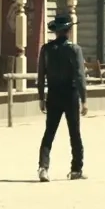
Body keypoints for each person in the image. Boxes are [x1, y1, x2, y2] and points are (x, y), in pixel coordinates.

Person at [35, 12, 87, 182]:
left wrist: (41, 97)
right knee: (74, 132)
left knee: (49, 132)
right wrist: (84, 99)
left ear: (56, 31)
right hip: (70, 94)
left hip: (53, 94)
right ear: (69, 31)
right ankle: (76, 169)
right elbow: (79, 75)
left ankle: (43, 167)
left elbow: (41, 75)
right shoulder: (74, 49)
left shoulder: (46, 49)